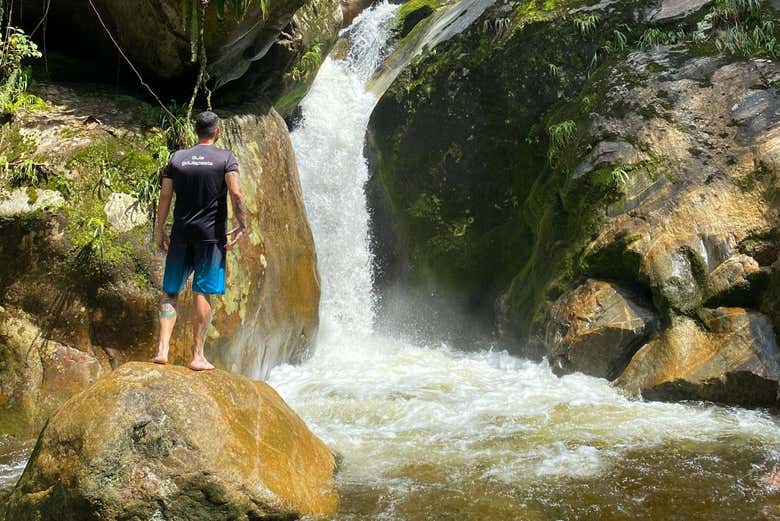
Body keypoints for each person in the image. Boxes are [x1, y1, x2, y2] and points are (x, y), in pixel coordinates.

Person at [151, 111, 249, 371]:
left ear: (196, 132)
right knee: (202, 291)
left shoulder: (178, 158)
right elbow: (236, 193)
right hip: (210, 237)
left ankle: (162, 350)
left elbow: (165, 195)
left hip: (181, 234)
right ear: (217, 132)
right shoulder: (226, 158)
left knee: (171, 292)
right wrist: (243, 224)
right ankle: (197, 355)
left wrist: (160, 229)